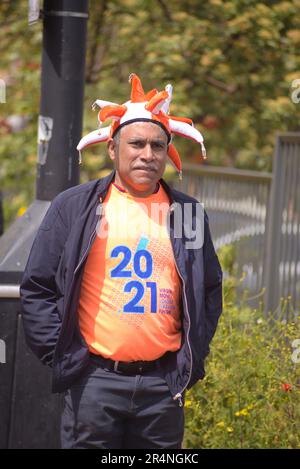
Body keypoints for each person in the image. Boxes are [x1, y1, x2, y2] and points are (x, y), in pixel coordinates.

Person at [20, 74, 223, 449]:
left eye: (158, 146)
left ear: (167, 152)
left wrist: (191, 359)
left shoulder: (188, 214)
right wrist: (65, 358)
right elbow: (38, 288)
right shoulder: (76, 207)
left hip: (163, 389)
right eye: (137, 144)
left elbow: (208, 290)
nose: (148, 154)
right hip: (94, 382)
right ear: (113, 149)